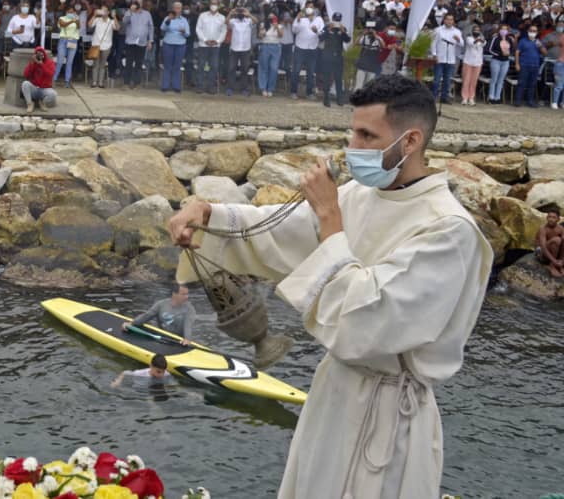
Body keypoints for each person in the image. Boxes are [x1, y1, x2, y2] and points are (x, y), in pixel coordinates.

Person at [169, 74, 492, 499]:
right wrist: (210, 213)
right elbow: (280, 232)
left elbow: (371, 322)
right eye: (351, 132)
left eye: (366, 135)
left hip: (389, 413)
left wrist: (330, 221)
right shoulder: (361, 194)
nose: (351, 147)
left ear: (411, 140)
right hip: (334, 396)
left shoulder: (448, 231)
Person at [121, 283, 196, 345]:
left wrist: (187, 339)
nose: (187, 297)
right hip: (162, 336)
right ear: (174, 294)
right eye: (183, 294)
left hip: (178, 340)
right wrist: (132, 323)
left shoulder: (189, 309)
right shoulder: (161, 304)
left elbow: (188, 326)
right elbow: (147, 315)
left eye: (187, 294)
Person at [291, 5, 323, 98]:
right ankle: (293, 92)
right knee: (296, 71)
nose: (310, 15)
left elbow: (322, 33)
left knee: (311, 72)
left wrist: (316, 31)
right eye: (308, 14)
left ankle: (309, 93)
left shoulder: (319, 20)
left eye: (312, 14)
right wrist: (297, 19)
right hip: (300, 48)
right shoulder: (301, 19)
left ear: (314, 13)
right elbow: (294, 30)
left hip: (312, 49)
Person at [318, 13, 351, 108]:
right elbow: (320, 38)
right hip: (327, 56)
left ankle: (339, 99)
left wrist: (343, 31)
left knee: (338, 79)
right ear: (332, 19)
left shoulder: (343, 28)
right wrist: (328, 30)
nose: (336, 22)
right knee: (327, 78)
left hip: (338, 57)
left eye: (338, 20)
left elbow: (348, 40)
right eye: (335, 20)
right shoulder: (326, 27)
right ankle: (326, 99)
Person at [194, 0, 226, 94]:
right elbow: (198, 29)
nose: (213, 5)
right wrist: (205, 40)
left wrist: (217, 41)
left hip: (215, 46)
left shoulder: (222, 18)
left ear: (219, 5)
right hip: (203, 45)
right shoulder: (202, 16)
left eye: (215, 4)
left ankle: (211, 87)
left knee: (214, 66)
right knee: (201, 66)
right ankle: (199, 86)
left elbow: (224, 31)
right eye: (212, 3)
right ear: (209, 5)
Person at [430, 13, 463, 104]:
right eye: (447, 19)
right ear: (444, 20)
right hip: (440, 58)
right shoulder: (438, 30)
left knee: (447, 80)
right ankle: (433, 97)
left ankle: (444, 97)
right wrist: (434, 54)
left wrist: (458, 40)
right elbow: (433, 43)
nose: (449, 21)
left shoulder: (457, 31)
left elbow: (462, 44)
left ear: (453, 21)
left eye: (451, 19)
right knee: (436, 80)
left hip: (451, 59)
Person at [122, 0, 153, 89]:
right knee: (129, 63)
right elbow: (124, 22)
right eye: (136, 2)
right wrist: (130, 11)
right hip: (130, 41)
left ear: (142, 4)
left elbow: (151, 27)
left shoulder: (147, 14)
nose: (137, 4)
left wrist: (150, 40)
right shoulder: (129, 13)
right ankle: (126, 83)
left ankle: (136, 83)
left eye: (139, 2)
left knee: (139, 63)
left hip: (142, 42)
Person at [159, 1, 191, 93]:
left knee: (177, 65)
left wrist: (183, 32)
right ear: (173, 9)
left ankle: (176, 86)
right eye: (175, 8)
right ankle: (165, 85)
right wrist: (168, 20)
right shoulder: (167, 18)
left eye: (179, 8)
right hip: (168, 43)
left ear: (181, 10)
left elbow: (188, 34)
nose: (177, 9)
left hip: (180, 44)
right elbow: (163, 29)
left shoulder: (184, 20)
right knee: (167, 65)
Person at [514, 24, 546, 108]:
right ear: (528, 31)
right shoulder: (523, 41)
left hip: (535, 65)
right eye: (531, 30)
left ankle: (530, 101)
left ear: (537, 32)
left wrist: (540, 46)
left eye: (534, 31)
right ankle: (518, 101)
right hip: (524, 65)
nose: (532, 32)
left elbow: (545, 53)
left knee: (532, 84)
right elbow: (517, 52)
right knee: (521, 83)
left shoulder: (538, 41)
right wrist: (517, 64)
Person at [226, 5, 254, 96]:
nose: (241, 13)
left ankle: (244, 89)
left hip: (245, 49)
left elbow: (257, 21)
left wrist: (248, 14)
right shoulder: (233, 21)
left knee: (244, 69)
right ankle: (230, 88)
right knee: (231, 69)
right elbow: (226, 23)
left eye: (242, 11)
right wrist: (231, 13)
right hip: (234, 48)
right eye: (239, 11)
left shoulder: (249, 21)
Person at [87, 6, 118, 88]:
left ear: (108, 12)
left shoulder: (110, 21)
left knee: (102, 64)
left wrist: (114, 17)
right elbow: (89, 25)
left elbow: (117, 27)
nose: (103, 12)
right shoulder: (97, 20)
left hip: (106, 45)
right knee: (95, 64)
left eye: (105, 10)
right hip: (96, 44)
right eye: (102, 10)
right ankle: (94, 82)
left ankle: (100, 82)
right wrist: (94, 15)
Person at [21, 46, 56, 113]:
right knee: (25, 84)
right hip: (34, 88)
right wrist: (32, 63)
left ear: (44, 55)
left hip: (45, 89)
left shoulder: (50, 63)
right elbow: (26, 75)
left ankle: (42, 102)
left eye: (41, 54)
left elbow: (50, 74)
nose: (40, 56)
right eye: (38, 54)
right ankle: (30, 103)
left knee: (53, 94)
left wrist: (42, 64)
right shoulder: (33, 63)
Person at [256, 13, 283, 97]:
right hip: (265, 46)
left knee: (274, 68)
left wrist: (276, 27)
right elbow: (260, 37)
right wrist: (262, 31)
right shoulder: (263, 25)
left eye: (273, 17)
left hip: (276, 47)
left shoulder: (279, 25)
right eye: (269, 17)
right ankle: (263, 88)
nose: (271, 18)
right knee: (264, 67)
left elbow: (281, 35)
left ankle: (270, 88)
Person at [53, 9, 81, 87]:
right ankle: (54, 78)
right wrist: (72, 21)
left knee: (69, 62)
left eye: (72, 12)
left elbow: (79, 27)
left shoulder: (76, 19)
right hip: (63, 40)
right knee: (60, 61)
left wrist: (77, 20)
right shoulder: (62, 18)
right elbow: (62, 25)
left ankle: (67, 81)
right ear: (66, 12)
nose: (71, 13)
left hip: (73, 41)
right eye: (69, 12)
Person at [486, 23, 513, 105]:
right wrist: (500, 53)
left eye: (505, 29)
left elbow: (511, 49)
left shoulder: (509, 39)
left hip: (505, 61)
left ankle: (498, 97)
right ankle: (491, 97)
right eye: (502, 29)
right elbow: (490, 49)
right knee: (494, 79)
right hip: (496, 60)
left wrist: (508, 53)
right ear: (499, 30)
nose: (504, 31)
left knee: (501, 80)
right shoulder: (495, 38)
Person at [353, 21, 383, 90]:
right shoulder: (364, 37)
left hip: (372, 66)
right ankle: (356, 99)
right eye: (369, 29)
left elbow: (383, 46)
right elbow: (355, 43)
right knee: (358, 85)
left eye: (372, 29)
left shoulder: (378, 38)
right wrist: (362, 34)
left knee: (369, 87)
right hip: (362, 65)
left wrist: (376, 36)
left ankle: (366, 100)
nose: (370, 31)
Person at [535, 205, 563, 277]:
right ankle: (552, 265)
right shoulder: (543, 229)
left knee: (562, 240)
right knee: (556, 240)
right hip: (541, 253)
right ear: (547, 218)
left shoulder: (561, 228)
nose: (551, 219)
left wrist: (562, 260)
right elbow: (543, 247)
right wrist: (554, 261)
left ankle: (559, 262)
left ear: (558, 219)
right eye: (549, 217)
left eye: (554, 217)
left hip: (554, 253)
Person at [460, 26, 485, 106]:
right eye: (475, 30)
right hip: (468, 61)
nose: (476, 31)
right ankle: (464, 98)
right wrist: (478, 40)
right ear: (472, 31)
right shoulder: (469, 38)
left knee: (474, 81)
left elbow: (484, 43)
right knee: (466, 80)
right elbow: (471, 43)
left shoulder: (482, 38)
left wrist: (481, 39)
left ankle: (471, 98)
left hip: (478, 62)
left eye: (478, 30)